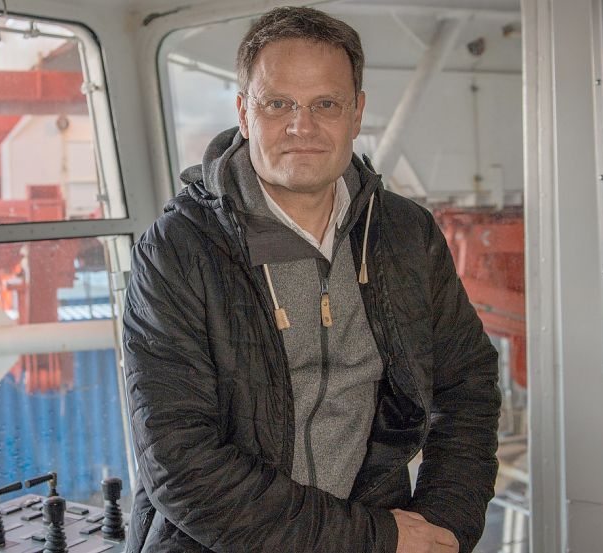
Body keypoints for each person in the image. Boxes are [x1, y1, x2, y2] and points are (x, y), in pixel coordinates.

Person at [122, 6, 500, 553]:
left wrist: (441, 529)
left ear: (357, 112)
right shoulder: (179, 250)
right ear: (245, 114)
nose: (303, 126)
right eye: (279, 104)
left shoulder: (403, 233)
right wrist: (374, 538)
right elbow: (179, 463)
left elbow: (466, 387)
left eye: (326, 103)